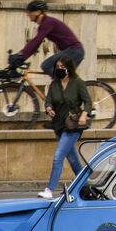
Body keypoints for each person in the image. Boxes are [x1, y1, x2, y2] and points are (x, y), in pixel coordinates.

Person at [39, 55, 92, 198]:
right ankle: (86, 185)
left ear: (69, 68)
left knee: (58, 157)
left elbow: (88, 102)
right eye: (57, 67)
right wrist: (49, 108)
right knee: (73, 160)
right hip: (58, 126)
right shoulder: (54, 84)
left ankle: (49, 189)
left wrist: (83, 114)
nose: (60, 70)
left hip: (73, 126)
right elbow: (48, 101)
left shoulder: (77, 83)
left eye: (63, 67)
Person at [16, 1, 85, 77]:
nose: (28, 14)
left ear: (38, 12)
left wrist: (21, 55)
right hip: (72, 51)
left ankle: (65, 85)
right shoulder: (45, 24)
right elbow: (35, 45)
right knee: (61, 73)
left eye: (30, 12)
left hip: (74, 51)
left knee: (46, 65)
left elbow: (36, 41)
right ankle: (65, 86)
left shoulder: (48, 23)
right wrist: (21, 56)